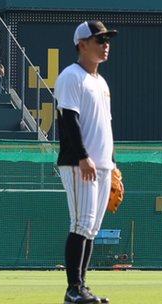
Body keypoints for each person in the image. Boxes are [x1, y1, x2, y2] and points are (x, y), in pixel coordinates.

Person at [55, 20, 118, 304]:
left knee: (91, 228)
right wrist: (83, 157)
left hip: (102, 165)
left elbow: (105, 126)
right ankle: (73, 289)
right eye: (100, 40)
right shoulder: (71, 76)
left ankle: (83, 287)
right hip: (79, 163)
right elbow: (69, 120)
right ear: (82, 44)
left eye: (107, 40)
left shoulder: (101, 82)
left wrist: (113, 163)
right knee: (81, 223)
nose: (106, 45)